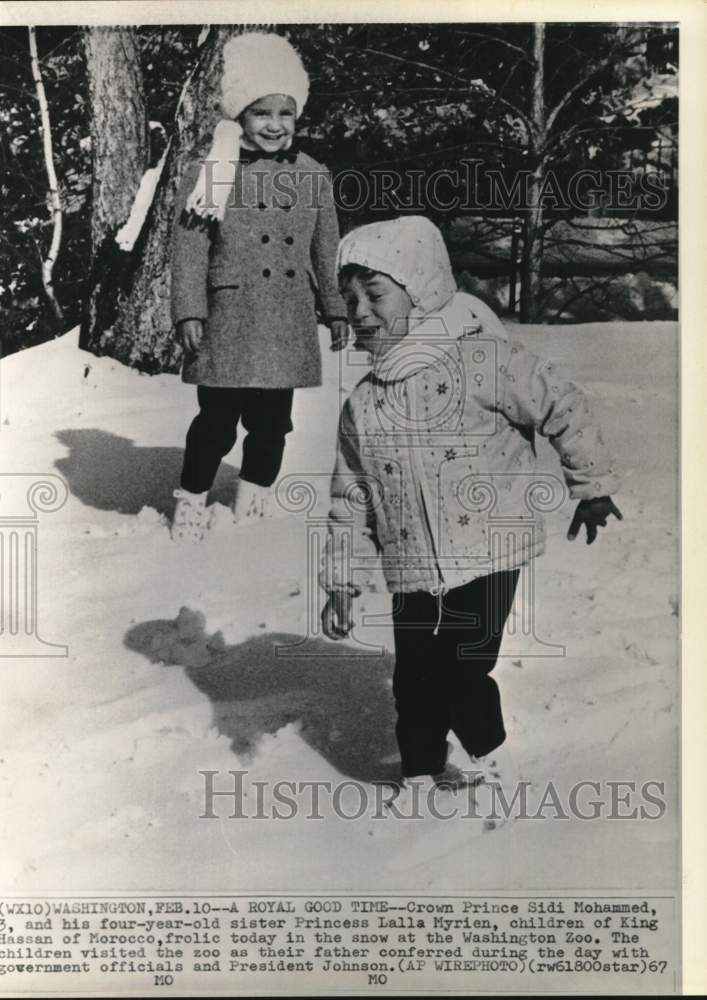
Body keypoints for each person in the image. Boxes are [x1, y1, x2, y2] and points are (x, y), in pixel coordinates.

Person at [320, 215, 622, 820]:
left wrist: (589, 484)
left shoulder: (481, 362)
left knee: (462, 666)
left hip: (488, 552)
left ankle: (487, 757)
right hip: (410, 563)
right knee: (413, 680)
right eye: (350, 298)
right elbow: (349, 495)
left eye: (374, 294)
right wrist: (342, 578)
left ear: (423, 290)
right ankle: (418, 773)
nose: (359, 310)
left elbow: (558, 401)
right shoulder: (365, 401)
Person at [170, 32, 348, 539]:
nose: (274, 125)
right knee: (216, 424)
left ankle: (254, 503)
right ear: (241, 116)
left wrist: (335, 308)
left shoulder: (313, 176)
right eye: (262, 112)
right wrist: (188, 311)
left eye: (285, 113)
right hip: (229, 319)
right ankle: (192, 501)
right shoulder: (211, 171)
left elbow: (326, 250)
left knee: (272, 425)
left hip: (286, 319)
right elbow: (189, 247)